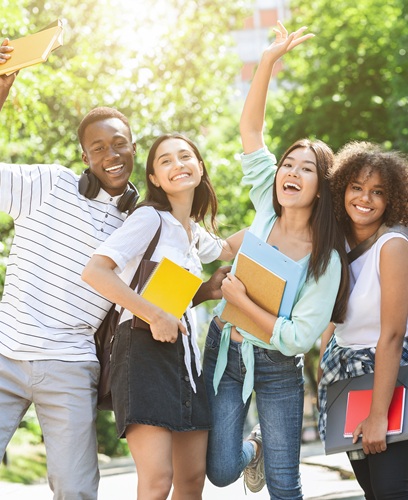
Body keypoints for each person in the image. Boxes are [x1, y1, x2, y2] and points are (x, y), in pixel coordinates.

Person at [0, 40, 226, 499]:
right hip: (6, 350)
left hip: (72, 362)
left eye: (119, 144)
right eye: (98, 148)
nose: (111, 154)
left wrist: (203, 292)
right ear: (84, 156)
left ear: (134, 148)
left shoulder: (146, 218)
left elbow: (166, 287)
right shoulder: (47, 183)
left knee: (76, 489)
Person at [203, 22, 349, 499]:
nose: (291, 171)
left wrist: (241, 300)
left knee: (286, 486)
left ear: (321, 185)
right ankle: (254, 450)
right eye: (288, 163)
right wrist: (266, 61)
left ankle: (273, 452)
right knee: (222, 469)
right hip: (226, 351)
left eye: (307, 168)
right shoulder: (267, 204)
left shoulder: (326, 259)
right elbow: (251, 129)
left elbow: (297, 339)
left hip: (277, 366)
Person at [82, 132, 243, 500]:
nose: (177, 165)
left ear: (200, 167)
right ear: (153, 178)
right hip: (141, 353)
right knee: (158, 481)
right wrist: (155, 315)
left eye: (185, 156)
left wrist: (288, 210)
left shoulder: (193, 233)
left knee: (191, 481)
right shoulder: (150, 218)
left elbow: (230, 247)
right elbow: (96, 271)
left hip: (185, 359)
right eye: (165, 161)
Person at [318, 141, 408, 499]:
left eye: (377, 192)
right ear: (342, 189)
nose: (365, 199)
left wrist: (377, 414)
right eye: (357, 187)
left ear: (392, 199)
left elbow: (393, 335)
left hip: (389, 381)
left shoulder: (393, 246)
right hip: (346, 382)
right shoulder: (334, 244)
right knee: (372, 489)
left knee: (391, 489)